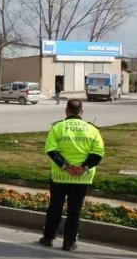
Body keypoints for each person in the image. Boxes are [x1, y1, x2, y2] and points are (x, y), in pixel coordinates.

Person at [38, 99, 105, 251]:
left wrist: (66, 166)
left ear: (66, 111)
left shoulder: (58, 127)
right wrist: (83, 167)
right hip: (82, 178)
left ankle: (48, 238)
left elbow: (51, 150)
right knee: (74, 210)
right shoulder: (92, 130)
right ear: (82, 112)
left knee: (55, 207)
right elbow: (98, 153)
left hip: (60, 177)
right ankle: (69, 243)